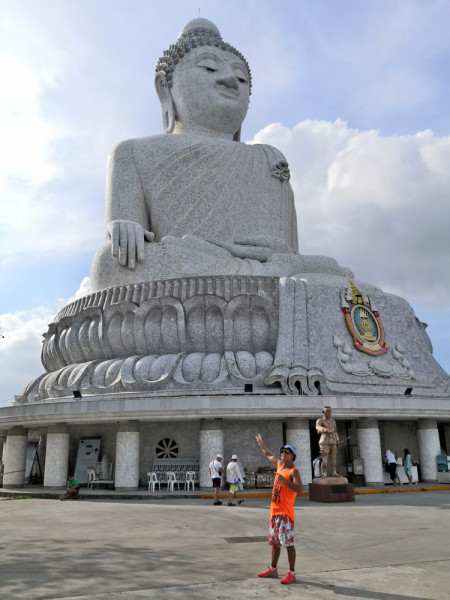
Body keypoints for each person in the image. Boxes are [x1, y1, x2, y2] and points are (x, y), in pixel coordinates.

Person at [255, 434, 303, 585]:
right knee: (274, 543)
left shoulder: (293, 471)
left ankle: (291, 572)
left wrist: (284, 481)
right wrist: (261, 444)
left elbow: (300, 489)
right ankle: (273, 569)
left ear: (292, 456)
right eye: (282, 451)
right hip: (274, 512)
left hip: (285, 513)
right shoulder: (279, 465)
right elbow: (269, 454)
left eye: (286, 452)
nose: (283, 453)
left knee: (288, 543)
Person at [316, 406, 341, 477]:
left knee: (333, 458)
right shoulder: (320, 420)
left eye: (330, 411)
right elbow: (318, 427)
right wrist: (324, 429)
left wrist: (337, 440)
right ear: (323, 412)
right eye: (327, 411)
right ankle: (324, 473)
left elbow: (335, 432)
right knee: (324, 458)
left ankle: (334, 472)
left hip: (333, 440)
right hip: (324, 440)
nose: (329, 412)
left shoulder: (333, 421)